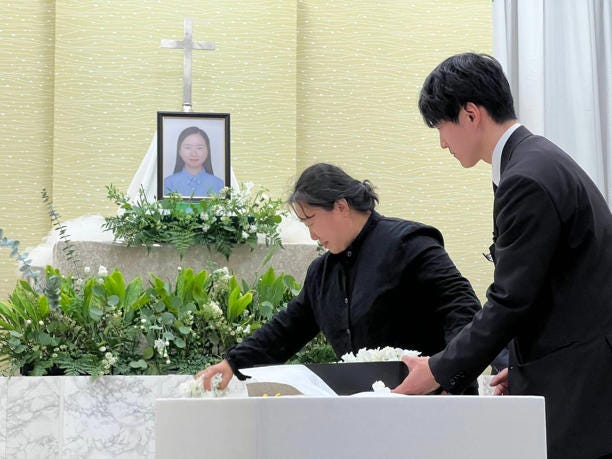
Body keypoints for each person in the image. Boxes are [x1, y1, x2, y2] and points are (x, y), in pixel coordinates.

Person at [395, 52, 612, 459]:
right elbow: (558, 287)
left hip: (581, 385)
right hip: (573, 369)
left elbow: (510, 300)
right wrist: (529, 364)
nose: (442, 143)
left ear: (471, 114)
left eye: (441, 127)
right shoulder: (538, 160)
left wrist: (438, 370)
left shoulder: (525, 178)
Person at [196, 162, 483, 394]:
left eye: (311, 221)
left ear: (341, 207)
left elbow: (462, 307)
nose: (312, 235)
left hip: (431, 401)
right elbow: (286, 330)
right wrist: (233, 363)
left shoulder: (409, 243)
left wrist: (448, 376)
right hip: (362, 411)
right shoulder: (322, 274)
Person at [163, 126, 224, 197]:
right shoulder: (167, 184)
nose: (193, 153)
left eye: (199, 148)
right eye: (188, 147)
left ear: (207, 151)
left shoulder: (220, 185)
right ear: (179, 151)